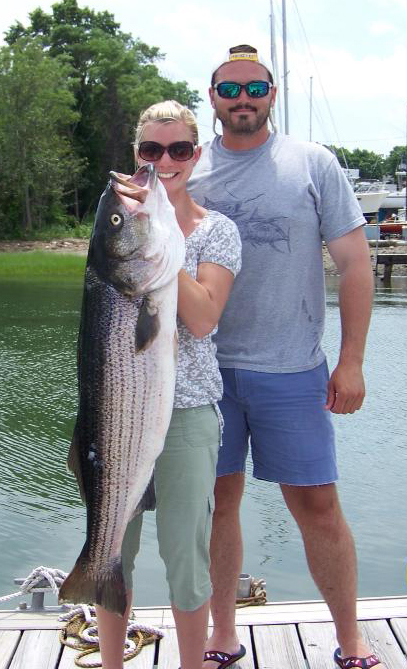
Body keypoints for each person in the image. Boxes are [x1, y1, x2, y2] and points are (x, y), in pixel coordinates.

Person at [187, 45, 383, 669]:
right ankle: (222, 636)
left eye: (255, 88)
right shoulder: (187, 168)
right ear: (213, 98)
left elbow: (355, 264)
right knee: (216, 506)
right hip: (203, 373)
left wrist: (351, 361)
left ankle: (351, 639)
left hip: (293, 369)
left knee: (318, 507)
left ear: (272, 94)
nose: (242, 99)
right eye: (229, 89)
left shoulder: (313, 163)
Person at [96, 100, 242, 669]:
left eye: (178, 149)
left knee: (186, 558)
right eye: (151, 150)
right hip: (115, 416)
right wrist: (141, 234)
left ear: (195, 154)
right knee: (112, 549)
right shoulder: (129, 227)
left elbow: (203, 318)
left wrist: (155, 245)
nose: (165, 161)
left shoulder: (217, 231)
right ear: (138, 155)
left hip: (188, 418)